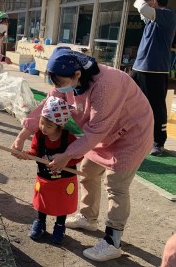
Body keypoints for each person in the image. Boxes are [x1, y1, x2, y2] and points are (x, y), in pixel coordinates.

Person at [12, 47, 154, 262]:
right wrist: (23, 135)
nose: (58, 87)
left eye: (60, 82)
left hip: (131, 134)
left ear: (77, 74)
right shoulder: (68, 81)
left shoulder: (107, 84)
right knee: (88, 171)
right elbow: (46, 105)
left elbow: (96, 130)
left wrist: (67, 154)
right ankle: (88, 217)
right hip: (102, 132)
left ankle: (112, 241)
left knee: (116, 185)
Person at [23, 96, 82, 244]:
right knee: (43, 200)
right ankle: (40, 222)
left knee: (62, 204)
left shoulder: (69, 138)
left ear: (59, 126)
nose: (43, 128)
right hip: (44, 178)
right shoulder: (39, 135)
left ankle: (60, 226)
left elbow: (79, 156)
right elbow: (35, 152)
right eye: (42, 123)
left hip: (65, 179)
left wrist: (67, 160)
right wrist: (26, 155)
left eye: (48, 126)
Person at [131, 0, 176, 156]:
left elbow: (141, 6)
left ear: (154, 2)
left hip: (156, 70)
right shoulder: (152, 18)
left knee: (157, 107)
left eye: (149, 0)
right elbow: (143, 10)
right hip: (139, 68)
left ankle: (158, 142)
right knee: (130, 100)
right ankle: (134, 134)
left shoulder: (167, 15)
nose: (147, 2)